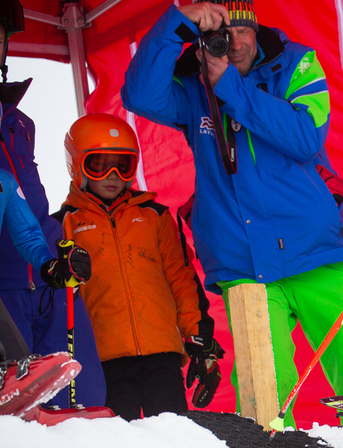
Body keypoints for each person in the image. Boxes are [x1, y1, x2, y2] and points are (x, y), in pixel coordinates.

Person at [121, 0, 343, 428]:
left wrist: (231, 88)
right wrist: (176, 23)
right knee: (265, 408)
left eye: (240, 28)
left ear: (255, 26)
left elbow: (305, 137)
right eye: (218, 32)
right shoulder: (192, 86)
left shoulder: (298, 64)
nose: (231, 41)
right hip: (243, 265)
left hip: (319, 253)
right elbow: (137, 95)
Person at [53, 113, 222, 420]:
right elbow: (57, 303)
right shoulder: (63, 224)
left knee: (174, 441)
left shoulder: (154, 215)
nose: (113, 174)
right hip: (104, 362)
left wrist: (199, 340)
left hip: (162, 356)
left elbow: (181, 278)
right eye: (100, 165)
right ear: (77, 166)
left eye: (124, 165)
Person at [1, 0, 106, 410]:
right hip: (6, 292)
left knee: (83, 408)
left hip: (45, 288)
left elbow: (26, 212)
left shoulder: (17, 125)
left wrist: (52, 260)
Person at [0, 149, 91, 417]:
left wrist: (49, 266)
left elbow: (27, 233)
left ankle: (18, 402)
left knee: (16, 359)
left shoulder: (4, 181)